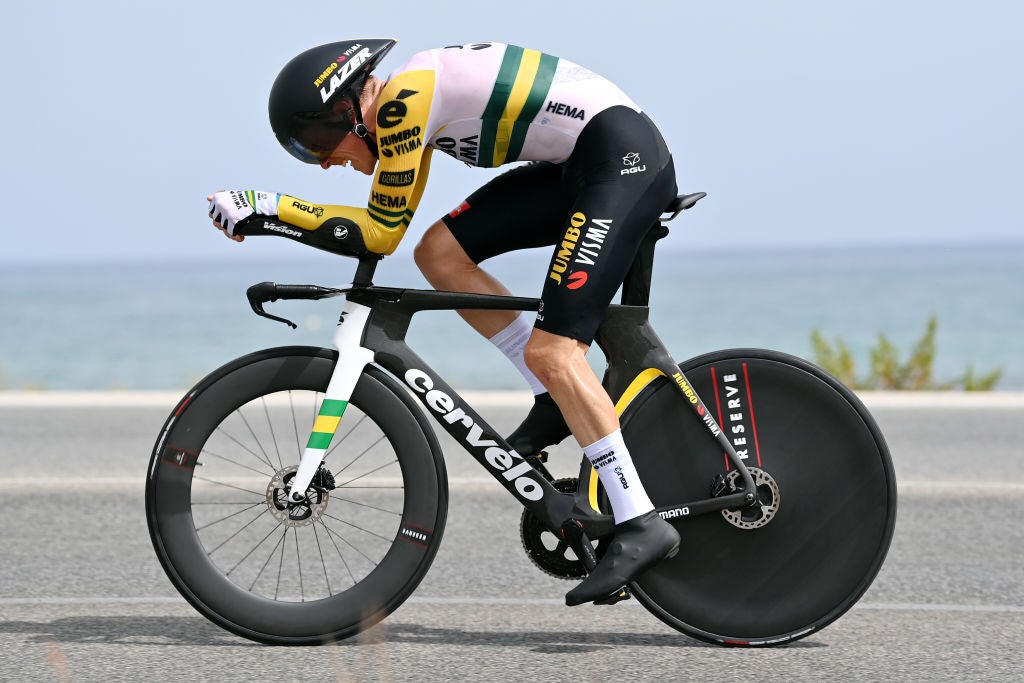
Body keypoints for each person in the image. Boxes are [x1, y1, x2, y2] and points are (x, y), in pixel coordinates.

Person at [208, 39, 680, 606]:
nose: (326, 161)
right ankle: (554, 399)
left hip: (619, 161)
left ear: (347, 110)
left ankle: (639, 520)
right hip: (579, 166)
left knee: (556, 353)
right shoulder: (411, 110)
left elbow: (378, 232)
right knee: (440, 254)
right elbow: (392, 227)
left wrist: (271, 208)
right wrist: (277, 216)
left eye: (317, 144)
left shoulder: (406, 103)